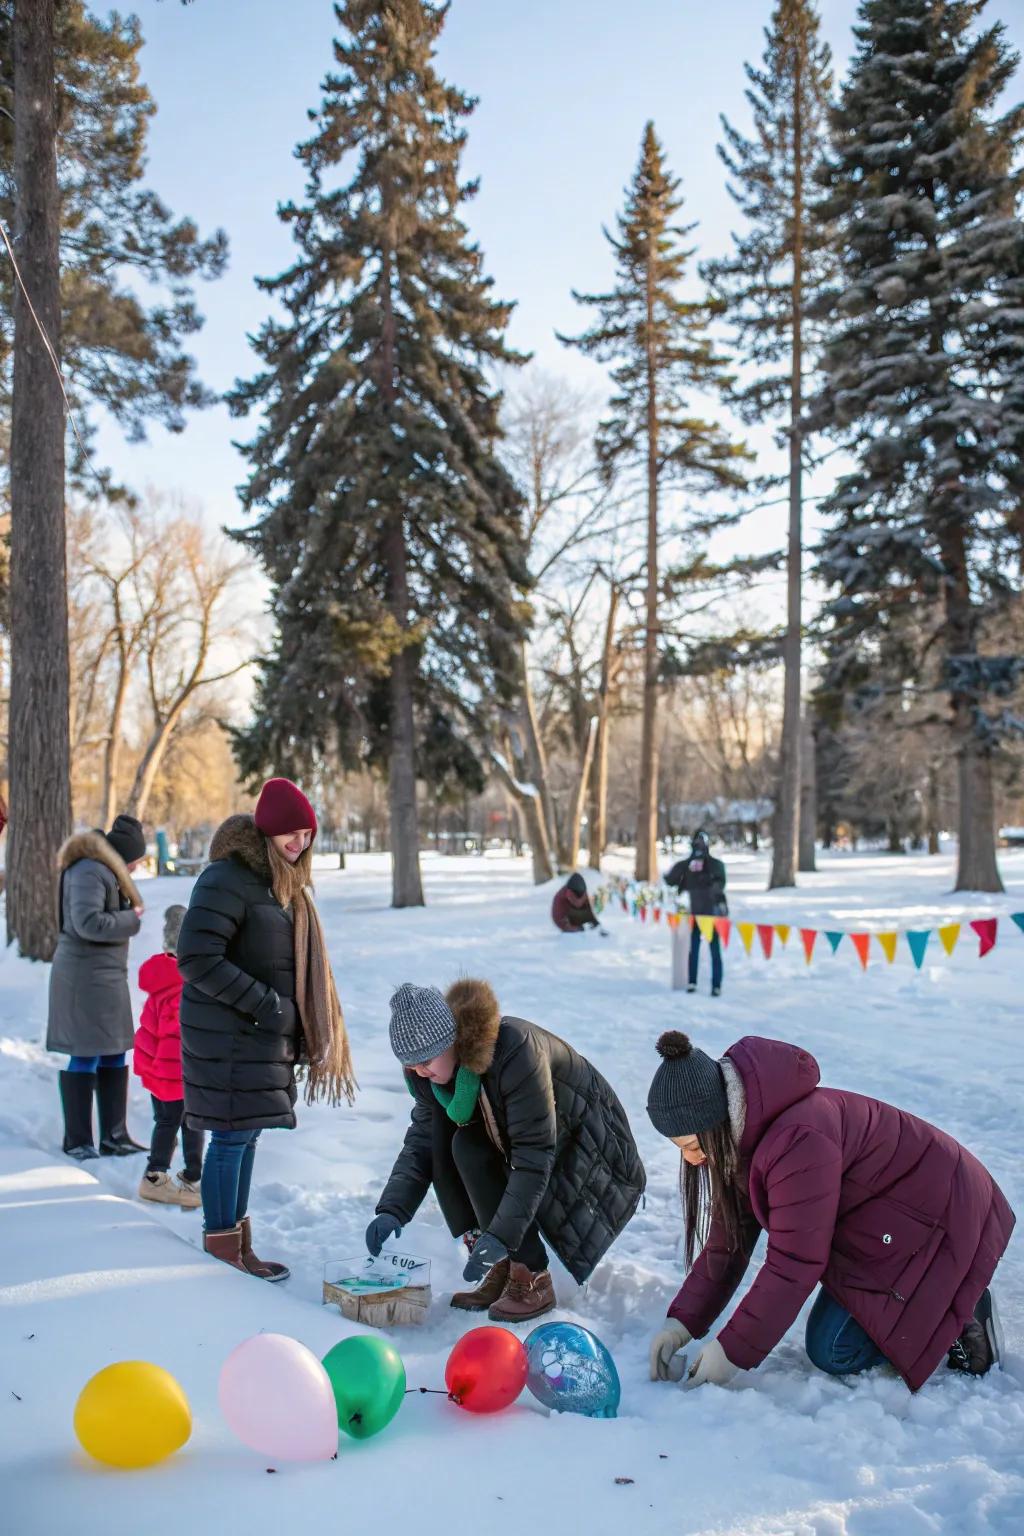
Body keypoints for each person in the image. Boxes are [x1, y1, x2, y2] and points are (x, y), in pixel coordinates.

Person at [646, 1031, 1014, 1393]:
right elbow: (728, 1244)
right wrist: (680, 1324)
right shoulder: (743, 1135)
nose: (691, 1159)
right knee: (838, 1336)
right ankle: (938, 1297)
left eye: (692, 1145)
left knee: (834, 1350)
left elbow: (794, 1262)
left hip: (937, 1216)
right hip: (882, 1225)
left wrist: (730, 1355)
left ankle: (959, 1304)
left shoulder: (797, 1141)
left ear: (715, 1121)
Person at [367, 979, 646, 1322]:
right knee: (460, 1143)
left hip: (588, 1140)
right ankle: (503, 1265)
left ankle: (533, 1278)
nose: (420, 1070)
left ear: (452, 1040)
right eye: (411, 1064)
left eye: (425, 1059)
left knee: (475, 1148)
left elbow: (534, 1153)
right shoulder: (434, 1079)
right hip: (527, 1141)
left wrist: (503, 1234)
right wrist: (392, 1209)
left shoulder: (514, 1051)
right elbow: (422, 1142)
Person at [177, 777, 355, 1282]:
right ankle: (221, 1249)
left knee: (246, 1137)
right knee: (230, 1140)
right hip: (229, 1035)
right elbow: (195, 958)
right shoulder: (227, 879)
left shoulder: (280, 885)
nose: (299, 843)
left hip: (255, 1037)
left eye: (307, 834)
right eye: (290, 834)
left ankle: (237, 1246)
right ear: (268, 831)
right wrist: (270, 1007)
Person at [47, 814, 148, 1161]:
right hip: (84, 978)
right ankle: (78, 1140)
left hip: (104, 978)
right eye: (134, 860)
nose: (136, 867)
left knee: (114, 1050)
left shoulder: (103, 871)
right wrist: (130, 919)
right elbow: (87, 922)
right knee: (86, 1052)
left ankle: (114, 1136)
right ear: (120, 855)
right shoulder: (89, 871)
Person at [134, 904, 204, 1210]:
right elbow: (180, 1036)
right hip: (179, 1074)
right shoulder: (182, 987)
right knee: (191, 1124)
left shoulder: (161, 979)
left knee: (166, 1122)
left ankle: (158, 1176)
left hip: (159, 1074)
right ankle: (189, 1179)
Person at [665, 832, 727, 996]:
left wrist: (708, 876)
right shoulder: (687, 866)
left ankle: (716, 985)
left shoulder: (714, 866)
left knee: (714, 950)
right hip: (693, 914)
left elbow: (721, 883)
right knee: (693, 949)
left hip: (712, 915)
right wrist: (686, 864)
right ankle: (692, 981)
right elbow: (671, 879)